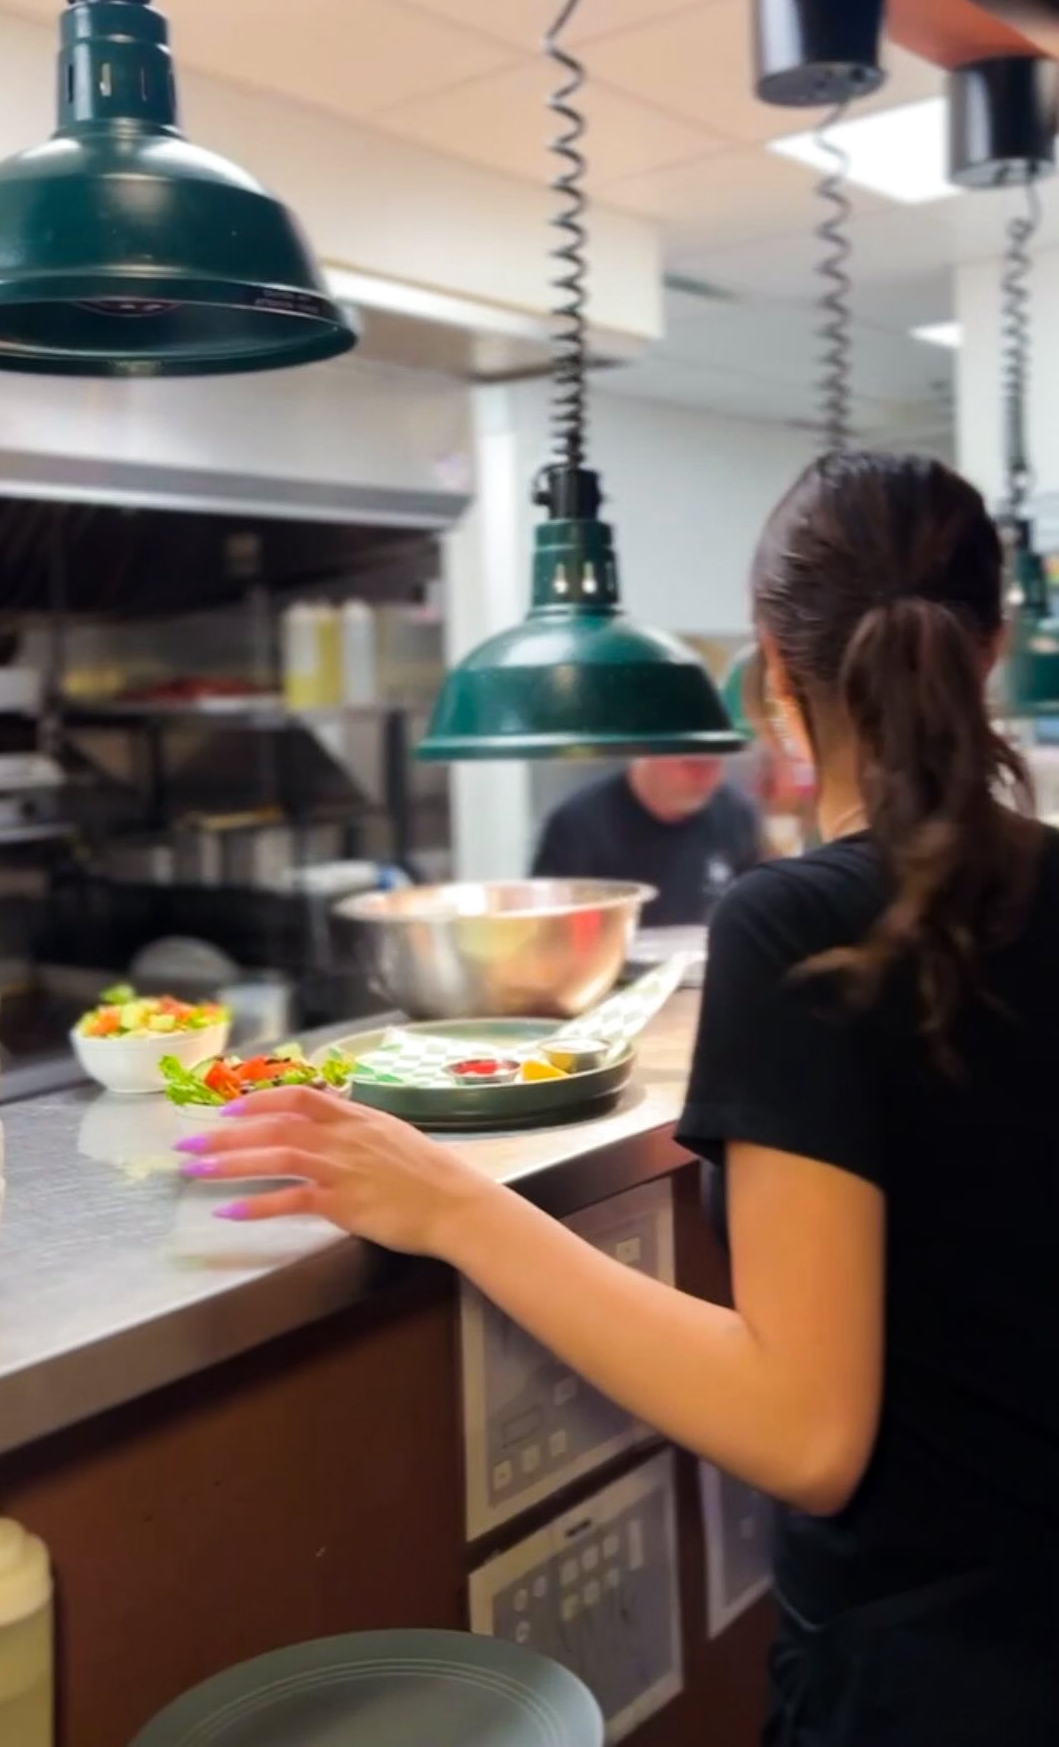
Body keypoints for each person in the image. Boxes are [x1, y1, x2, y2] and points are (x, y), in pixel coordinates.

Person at [177, 452, 1059, 1745]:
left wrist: (453, 1204)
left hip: (933, 1684)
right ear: (990, 650)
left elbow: (804, 1428)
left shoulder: (795, 924)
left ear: (769, 677)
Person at [531, 754, 764, 923]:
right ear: (648, 753)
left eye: (715, 763)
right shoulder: (578, 823)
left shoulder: (735, 814)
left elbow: (750, 909)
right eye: (692, 763)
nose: (706, 778)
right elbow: (546, 925)